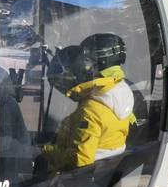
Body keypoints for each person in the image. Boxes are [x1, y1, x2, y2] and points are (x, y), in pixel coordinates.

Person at [42, 33, 135, 173]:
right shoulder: (118, 93)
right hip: (103, 174)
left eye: (87, 61)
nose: (86, 68)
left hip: (77, 181)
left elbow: (80, 160)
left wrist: (45, 151)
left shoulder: (92, 110)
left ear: (100, 63)